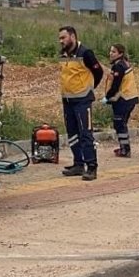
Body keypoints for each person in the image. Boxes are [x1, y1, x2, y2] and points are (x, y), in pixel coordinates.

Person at [57, 25, 103, 181]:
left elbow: (98, 72)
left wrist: (89, 88)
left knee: (85, 134)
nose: (61, 41)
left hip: (82, 100)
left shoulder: (85, 53)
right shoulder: (63, 54)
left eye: (63, 37)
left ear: (72, 36)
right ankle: (78, 164)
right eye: (60, 38)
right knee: (72, 134)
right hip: (67, 100)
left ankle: (91, 166)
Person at [103, 43, 139, 158]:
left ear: (120, 54)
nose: (111, 53)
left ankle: (125, 150)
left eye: (114, 52)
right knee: (122, 124)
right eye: (110, 51)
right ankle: (124, 147)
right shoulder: (124, 63)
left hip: (123, 99)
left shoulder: (119, 66)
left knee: (119, 124)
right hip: (130, 98)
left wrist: (107, 97)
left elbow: (115, 85)